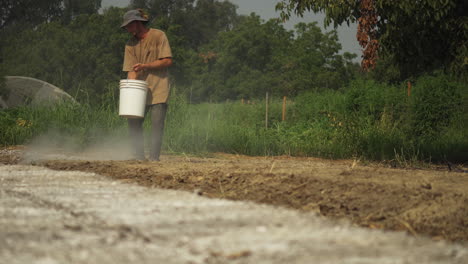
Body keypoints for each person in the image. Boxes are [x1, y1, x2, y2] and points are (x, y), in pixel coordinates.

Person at [121, 9, 173, 161]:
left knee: (157, 124)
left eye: (129, 26)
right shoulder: (130, 44)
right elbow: (131, 70)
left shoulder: (158, 35)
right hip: (139, 90)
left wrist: (145, 66)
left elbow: (167, 60)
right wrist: (130, 87)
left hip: (159, 88)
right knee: (133, 121)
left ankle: (154, 158)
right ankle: (138, 156)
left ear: (137, 23)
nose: (127, 29)